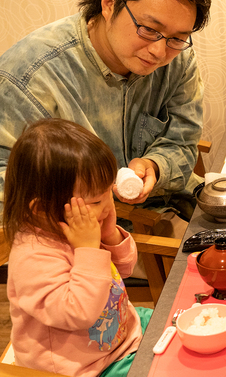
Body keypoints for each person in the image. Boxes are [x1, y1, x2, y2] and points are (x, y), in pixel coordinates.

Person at [0, 0, 212, 219]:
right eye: (148, 29)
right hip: (82, 231)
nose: (160, 51)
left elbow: (182, 141)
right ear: (110, 3)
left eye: (177, 38)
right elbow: (6, 185)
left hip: (170, 201)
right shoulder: (30, 76)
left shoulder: (178, 60)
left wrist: (154, 166)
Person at [3, 119, 151, 377]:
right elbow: (79, 313)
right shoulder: (33, 257)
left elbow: (123, 270)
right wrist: (89, 249)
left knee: (176, 319)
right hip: (85, 367)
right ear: (40, 209)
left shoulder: (80, 228)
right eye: (95, 200)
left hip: (121, 334)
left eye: (108, 193)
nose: (107, 205)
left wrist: (110, 236)